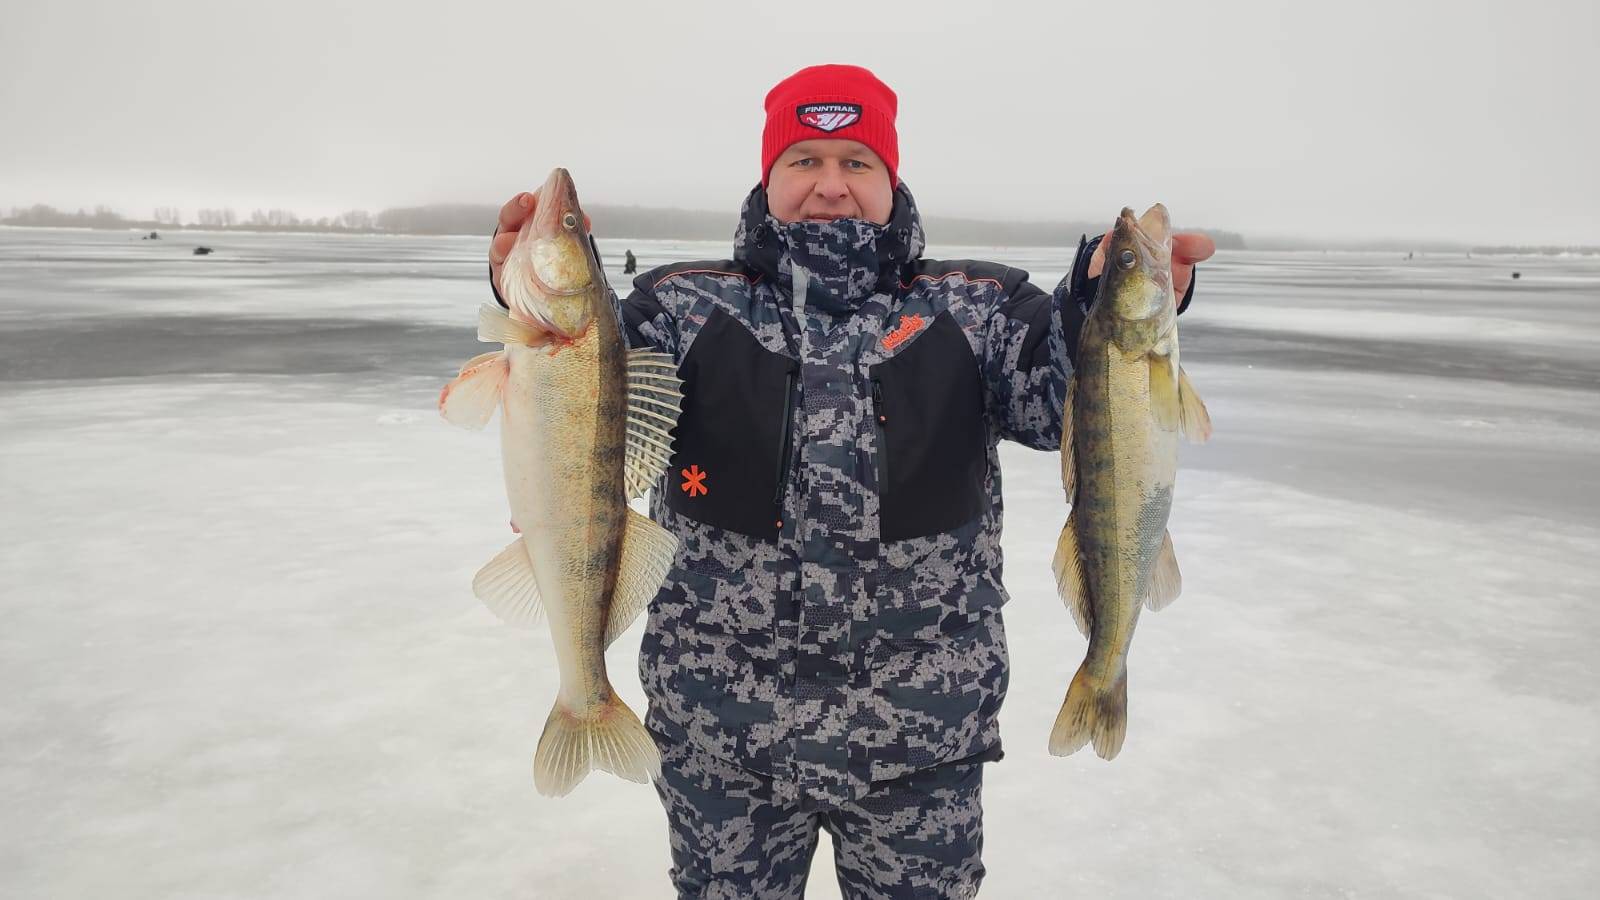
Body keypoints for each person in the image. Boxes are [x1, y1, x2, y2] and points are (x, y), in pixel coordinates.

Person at [486, 64, 1213, 899]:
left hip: (921, 748)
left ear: (890, 178)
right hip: (724, 744)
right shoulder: (678, 306)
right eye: (804, 160)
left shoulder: (977, 308)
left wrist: (1099, 299)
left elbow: (1060, 406)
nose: (830, 185)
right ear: (769, 176)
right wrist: (516, 283)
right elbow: (576, 391)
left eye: (856, 162)